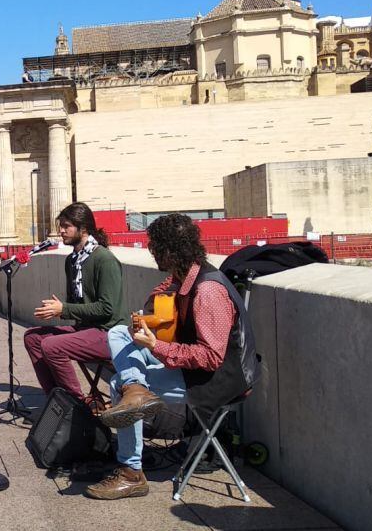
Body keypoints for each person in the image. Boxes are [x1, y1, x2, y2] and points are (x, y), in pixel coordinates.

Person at [85, 213, 258, 500]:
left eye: (154, 246)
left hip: (220, 379)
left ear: (167, 250)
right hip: (193, 367)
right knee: (118, 334)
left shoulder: (207, 290)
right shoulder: (185, 277)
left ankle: (131, 472)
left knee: (117, 384)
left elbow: (211, 357)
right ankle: (136, 389)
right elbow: (165, 315)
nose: (151, 252)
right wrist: (154, 306)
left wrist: (155, 347)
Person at [23, 202, 127, 410]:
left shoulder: (104, 259)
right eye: (61, 225)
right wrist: (60, 310)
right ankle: (57, 400)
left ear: (84, 228)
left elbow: (108, 309)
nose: (61, 231)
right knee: (33, 338)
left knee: (52, 346)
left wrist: (64, 309)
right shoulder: (71, 261)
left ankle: (77, 407)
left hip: (109, 332)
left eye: (66, 226)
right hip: (85, 328)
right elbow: (77, 304)